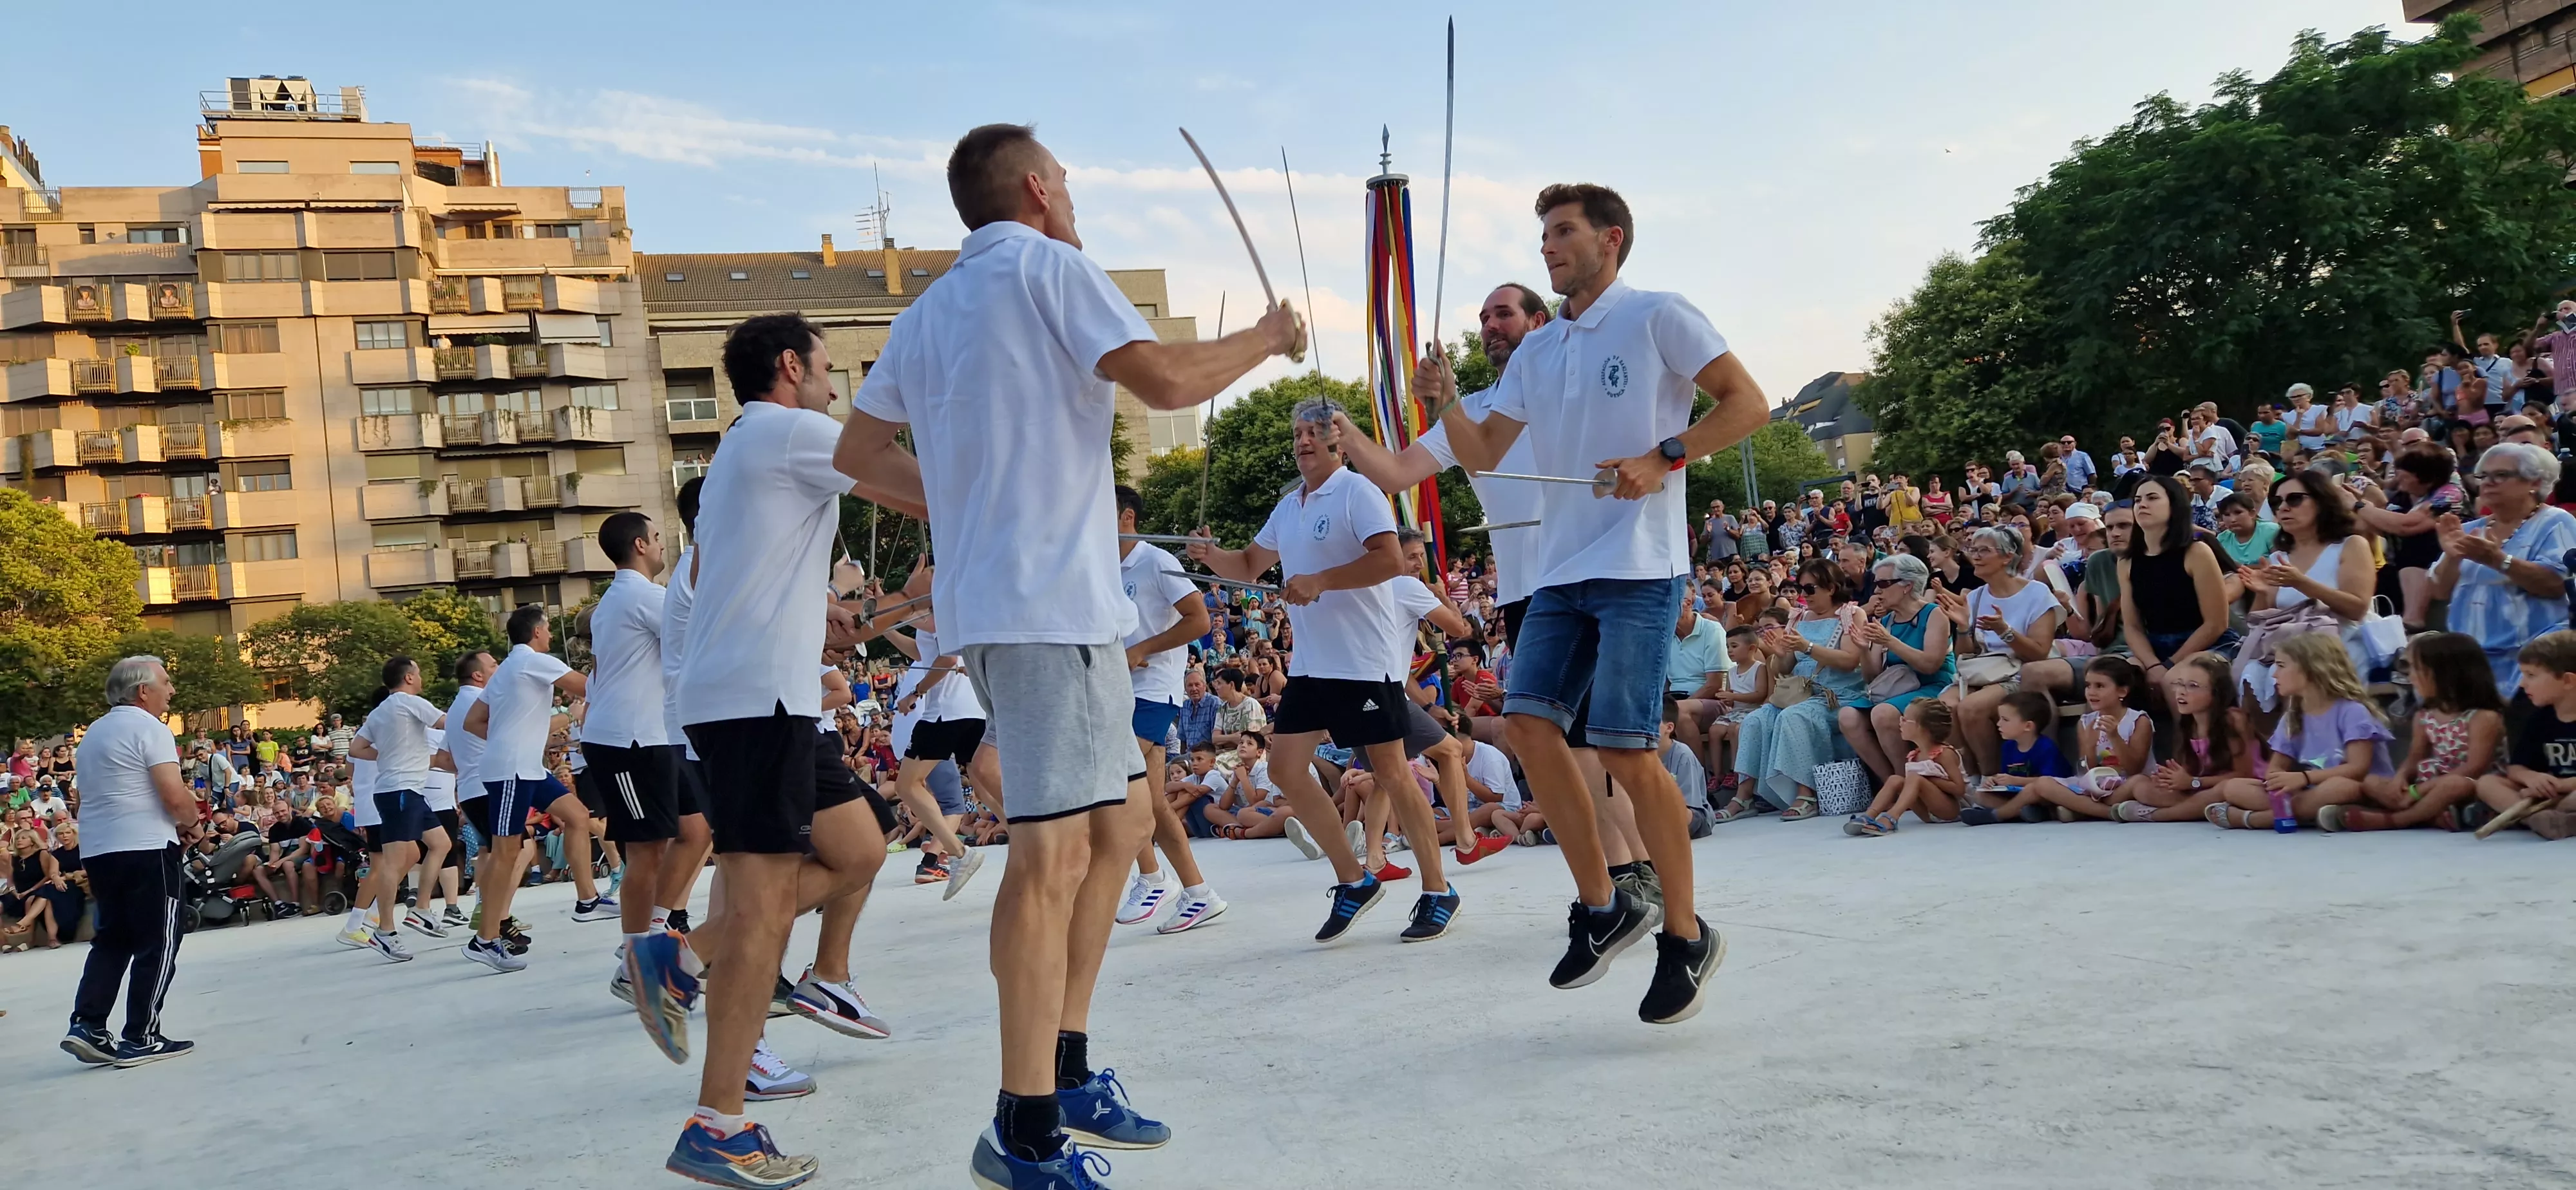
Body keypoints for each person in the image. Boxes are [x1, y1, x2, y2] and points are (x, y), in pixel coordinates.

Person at [836, 125, 1299, 1187]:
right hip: (1049, 605)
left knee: (1114, 824)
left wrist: (958, 494)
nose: (1075, 197)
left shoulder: (929, 310)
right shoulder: (1051, 265)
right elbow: (1171, 380)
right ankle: (1026, 1120)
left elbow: (858, 454)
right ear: (1039, 190)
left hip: (1013, 605)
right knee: (1051, 857)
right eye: (1070, 182)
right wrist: (1268, 336)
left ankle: (1069, 1063)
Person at [1424, 182, 1764, 1021]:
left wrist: (1665, 456)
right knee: (1528, 725)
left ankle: (1686, 937)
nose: (1548, 245)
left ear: (1612, 239)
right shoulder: (1539, 355)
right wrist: (1440, 403)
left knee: (1624, 752)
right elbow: (1489, 454)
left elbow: (1749, 404)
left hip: (1642, 567)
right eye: (1543, 233)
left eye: (1564, 230)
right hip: (1561, 571)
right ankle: (1604, 903)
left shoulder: (1658, 314)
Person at [638, 312, 900, 1186]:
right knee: (761, 911)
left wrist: (821, 614)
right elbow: (921, 486)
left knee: (860, 847)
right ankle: (718, 1122)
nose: (837, 385)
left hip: (763, 697)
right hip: (758, 705)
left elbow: (740, 575)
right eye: (830, 368)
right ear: (792, 367)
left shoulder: (744, 453)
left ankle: (682, 956)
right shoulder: (790, 431)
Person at [1192, 402, 1459, 940]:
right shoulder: (1289, 505)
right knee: (1289, 769)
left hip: (1364, 664)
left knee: (1392, 775)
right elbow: (1248, 565)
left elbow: (1387, 559)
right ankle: (1353, 879)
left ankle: (1438, 890)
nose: (1303, 441)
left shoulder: (1358, 490)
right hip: (1313, 665)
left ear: (1337, 439)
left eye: (1314, 432)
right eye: (1296, 433)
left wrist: (1320, 580)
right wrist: (1210, 554)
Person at [585, 511, 716, 1001]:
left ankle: (657, 930)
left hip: (653, 735)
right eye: (658, 539)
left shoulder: (621, 601)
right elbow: (697, 635)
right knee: (646, 852)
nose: (663, 546)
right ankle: (635, 961)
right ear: (640, 545)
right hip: (626, 740)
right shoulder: (640, 597)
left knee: (698, 830)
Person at [62, 657, 198, 1067]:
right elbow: (174, 796)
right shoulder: (151, 729)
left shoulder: (93, 735)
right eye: (166, 683)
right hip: (147, 846)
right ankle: (142, 1035)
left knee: (113, 938)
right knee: (159, 939)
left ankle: (88, 1024)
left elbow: (84, 799)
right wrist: (195, 824)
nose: (171, 691)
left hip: (101, 849)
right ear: (143, 691)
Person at [1111, 484, 1226, 935]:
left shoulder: (1158, 561)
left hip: (1154, 688)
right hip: (1116, 688)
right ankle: (1199, 894)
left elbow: (1199, 620)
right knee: (1151, 799)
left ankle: (1152, 877)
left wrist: (1144, 649)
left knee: (1116, 778)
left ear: (1126, 517)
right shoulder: (1102, 569)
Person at [461, 606, 599, 973]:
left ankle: (588, 899)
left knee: (577, 815)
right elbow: (588, 687)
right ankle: (485, 939)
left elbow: (474, 722)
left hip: (524, 767)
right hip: (510, 770)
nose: (551, 635)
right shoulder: (534, 660)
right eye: (549, 629)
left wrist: (515, 736)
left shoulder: (508, 668)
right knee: (506, 853)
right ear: (537, 632)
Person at [2431, 442, 2576, 695]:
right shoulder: (2468, 529)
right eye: (2483, 476)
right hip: (2470, 662)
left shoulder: (2555, 522)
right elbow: (2440, 592)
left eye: (2501, 475)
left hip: (2531, 664)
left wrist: (2497, 560)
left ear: (2534, 482)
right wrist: (2452, 558)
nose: (2488, 482)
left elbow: (2556, 584)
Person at [2211, 634, 2394, 829]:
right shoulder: (2293, 716)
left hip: (2361, 789)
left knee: (2341, 787)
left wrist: (2303, 778)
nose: (2274, 675)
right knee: (2233, 788)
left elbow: (2357, 769)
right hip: (2312, 791)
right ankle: (2314, 813)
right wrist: (2279, 781)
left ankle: (2255, 819)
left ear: (2311, 670)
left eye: (2281, 666)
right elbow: (2275, 769)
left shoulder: (2353, 711)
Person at [2328, 632, 2505, 832]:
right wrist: (2400, 779)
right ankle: (2433, 814)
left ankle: (2398, 820)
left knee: (2454, 786)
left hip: (2469, 785)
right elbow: (2415, 757)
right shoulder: (2424, 716)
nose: (2410, 676)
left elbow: (2474, 768)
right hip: (2430, 783)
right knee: (2371, 782)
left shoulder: (2483, 718)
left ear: (2445, 673)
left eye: (2417, 669)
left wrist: (2418, 791)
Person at [1936, 527, 2072, 776]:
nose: (1975, 556)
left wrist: (2004, 631)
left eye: (1984, 551)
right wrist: (1965, 628)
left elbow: (2039, 654)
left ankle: (1992, 779)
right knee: (1944, 707)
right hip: (1986, 672)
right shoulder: (1976, 597)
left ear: (2008, 557)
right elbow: (1965, 657)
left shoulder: (2037, 593)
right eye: (1973, 550)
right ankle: (1971, 778)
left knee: (1970, 708)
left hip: (2019, 671)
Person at [2237, 469, 2375, 713]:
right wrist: (2260, 592)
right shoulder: (2279, 557)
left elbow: (2357, 608)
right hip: (2287, 643)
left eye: (2295, 499)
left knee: (2294, 673)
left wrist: (2301, 582)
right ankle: (2272, 748)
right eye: (2277, 502)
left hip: (2338, 642)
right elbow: (2259, 622)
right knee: (2250, 674)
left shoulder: (2351, 545)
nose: (2283, 507)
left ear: (2322, 501)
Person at [348, 656, 450, 961]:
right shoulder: (408, 701)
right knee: (393, 862)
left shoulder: (380, 712)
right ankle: (385, 932)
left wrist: (388, 754)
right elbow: (446, 723)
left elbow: (356, 749)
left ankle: (420, 909)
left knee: (440, 844)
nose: (420, 678)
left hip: (407, 790)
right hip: (399, 792)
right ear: (408, 678)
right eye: (418, 673)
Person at [2119, 475, 2235, 704]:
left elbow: (2216, 623)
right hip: (2155, 645)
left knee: (2179, 679)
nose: (2142, 504)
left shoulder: (2197, 552)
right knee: (2119, 676)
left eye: (2152, 498)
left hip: (2206, 644)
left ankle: (2190, 740)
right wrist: (2153, 664)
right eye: (2138, 500)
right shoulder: (2127, 563)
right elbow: (2132, 626)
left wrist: (2170, 664)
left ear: (2174, 506)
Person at [1843, 552, 1953, 780]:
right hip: (1898, 688)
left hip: (1931, 685)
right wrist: (1864, 648)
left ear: (1907, 586)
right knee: (1847, 716)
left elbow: (1931, 665)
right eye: (1876, 584)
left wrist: (1890, 642)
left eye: (1883, 583)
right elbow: (1871, 676)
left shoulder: (1934, 614)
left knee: (1883, 714)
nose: (1876, 591)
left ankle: (1907, 781)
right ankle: (1892, 782)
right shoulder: (1886, 621)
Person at [2487, 632, 2576, 839]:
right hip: (2547, 793)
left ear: (2567, 681)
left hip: (2567, 791)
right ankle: (2540, 820)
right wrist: (2531, 778)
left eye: (2531, 676)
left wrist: (2562, 786)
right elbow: (2517, 767)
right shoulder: (2539, 719)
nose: (2522, 684)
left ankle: (2545, 816)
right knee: (2488, 784)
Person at [1956, 691, 2072, 825]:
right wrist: (1994, 781)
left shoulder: (2046, 747)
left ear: (2028, 726)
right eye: (1999, 719)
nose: (1998, 724)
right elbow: (2007, 776)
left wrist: (2015, 780)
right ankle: (2021, 813)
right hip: (2018, 796)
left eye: (2005, 720)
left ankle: (2002, 814)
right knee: (1980, 795)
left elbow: (2052, 782)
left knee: (2037, 794)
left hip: (2043, 797)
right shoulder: (2008, 747)